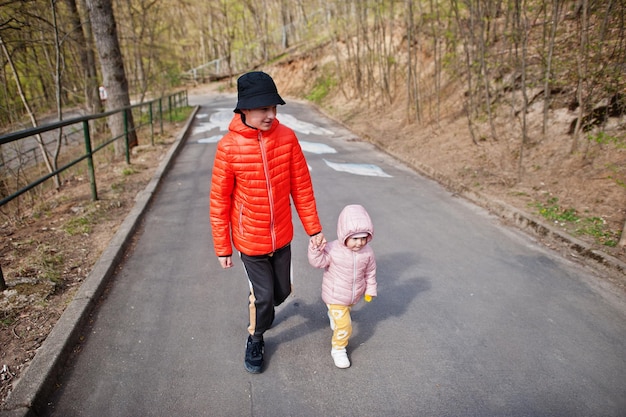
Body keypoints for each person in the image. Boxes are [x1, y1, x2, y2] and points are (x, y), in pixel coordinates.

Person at [210, 71, 325, 374]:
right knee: (262, 298)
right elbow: (219, 201)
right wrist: (223, 247)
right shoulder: (229, 147)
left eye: (273, 108)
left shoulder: (286, 138)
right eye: (263, 109)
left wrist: (313, 229)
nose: (270, 114)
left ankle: (263, 308)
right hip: (250, 239)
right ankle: (255, 338)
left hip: (282, 236)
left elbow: (301, 186)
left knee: (281, 293)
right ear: (244, 109)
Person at [308, 204, 377, 369]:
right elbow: (317, 262)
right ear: (344, 235)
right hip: (335, 296)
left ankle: (334, 317)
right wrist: (315, 249)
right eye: (354, 238)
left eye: (363, 238)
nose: (359, 243)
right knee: (345, 326)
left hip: (353, 295)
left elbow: (370, 272)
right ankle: (338, 348)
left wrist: (370, 289)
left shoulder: (367, 252)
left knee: (347, 311)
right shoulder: (332, 249)